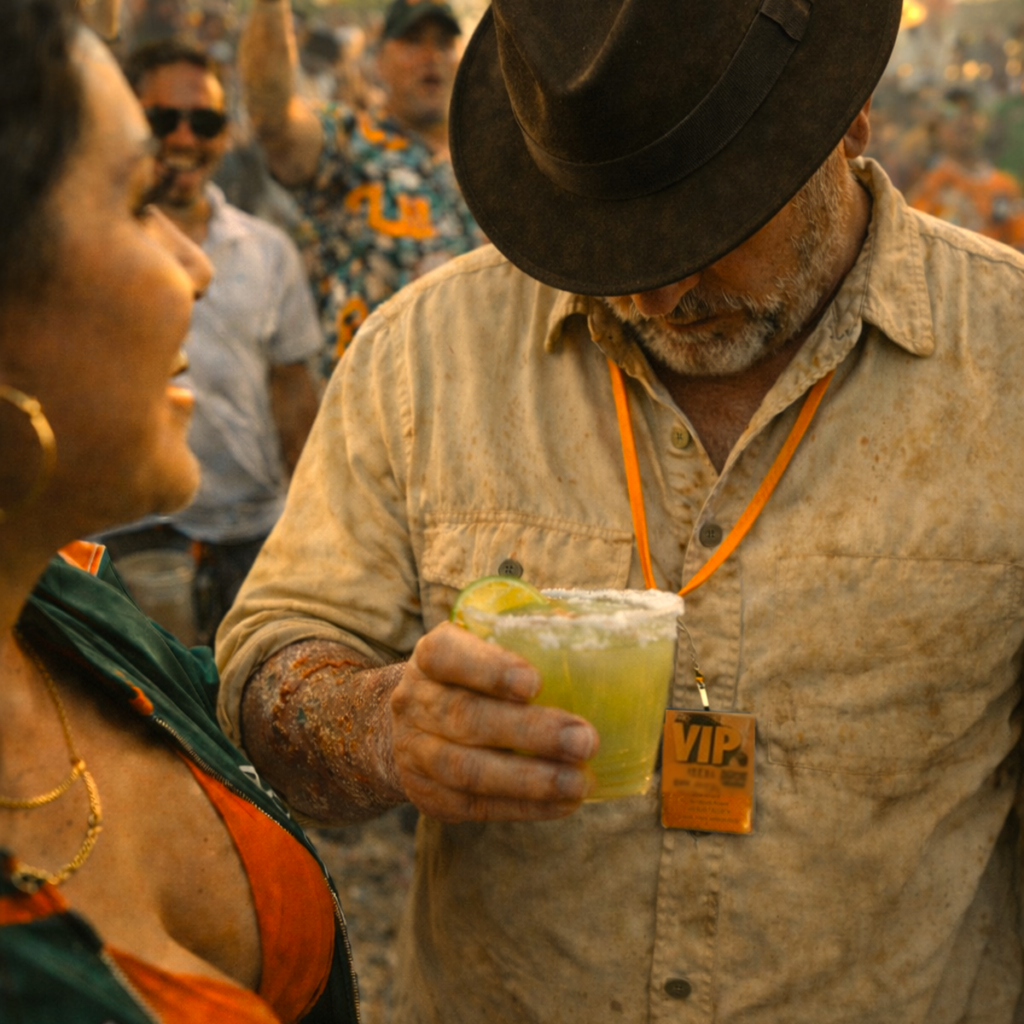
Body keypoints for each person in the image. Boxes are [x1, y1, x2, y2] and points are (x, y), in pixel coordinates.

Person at [217, 1, 1024, 1021]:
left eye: (713, 220)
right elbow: (271, 657)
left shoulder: (1008, 361)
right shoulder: (424, 354)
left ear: (850, 118)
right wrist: (381, 727)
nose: (658, 292)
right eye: (615, 236)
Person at [0, 2, 358, 1020]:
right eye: (133, 196)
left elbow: (223, 699)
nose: (189, 266)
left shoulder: (62, 610)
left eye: (202, 140)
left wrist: (383, 717)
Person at [98, 38, 323, 647]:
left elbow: (294, 397)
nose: (184, 138)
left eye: (204, 121)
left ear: (226, 134)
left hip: (253, 537)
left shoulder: (267, 250)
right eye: (162, 119)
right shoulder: (90, 247)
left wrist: (315, 527)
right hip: (133, 532)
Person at [239, 0, 484, 365]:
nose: (431, 55)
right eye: (413, 41)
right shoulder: (350, 142)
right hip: (371, 404)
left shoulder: (490, 165)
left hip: (471, 396)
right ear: (379, 62)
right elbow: (273, 120)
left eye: (444, 43)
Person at [907, 87, 1024, 250]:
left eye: (969, 113)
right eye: (952, 115)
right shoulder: (930, 186)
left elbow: (1019, 242)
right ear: (937, 130)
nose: (963, 121)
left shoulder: (1004, 186)